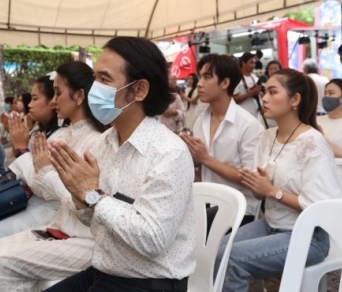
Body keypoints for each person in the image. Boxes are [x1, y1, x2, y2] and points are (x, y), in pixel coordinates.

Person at [45, 36, 196, 292]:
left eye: (105, 80)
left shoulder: (169, 152)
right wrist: (79, 195)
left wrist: (92, 194)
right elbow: (94, 219)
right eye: (95, 78)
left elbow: (152, 240)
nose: (94, 89)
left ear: (139, 90)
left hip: (149, 282)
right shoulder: (104, 143)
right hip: (104, 272)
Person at [216, 69, 342, 292]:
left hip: (309, 235)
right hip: (271, 224)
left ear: (295, 100)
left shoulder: (312, 143)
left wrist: (272, 190)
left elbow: (322, 208)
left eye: (273, 92)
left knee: (234, 259)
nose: (264, 98)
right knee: (219, 249)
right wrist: (257, 186)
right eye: (264, 92)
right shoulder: (267, 137)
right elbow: (260, 194)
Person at [0, 61, 105, 291]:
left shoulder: (95, 141)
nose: (54, 101)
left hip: (81, 238)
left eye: (58, 93)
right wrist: (38, 166)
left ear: (79, 96)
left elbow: (68, 195)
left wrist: (30, 158)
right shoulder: (65, 135)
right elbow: (44, 183)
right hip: (58, 227)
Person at [180, 54, 263, 226]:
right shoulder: (201, 120)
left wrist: (205, 158)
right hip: (204, 204)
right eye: (200, 77)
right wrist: (192, 157)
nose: (200, 84)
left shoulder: (248, 125)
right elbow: (199, 166)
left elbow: (251, 181)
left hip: (237, 211)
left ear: (225, 83)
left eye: (207, 77)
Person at [0, 75, 66, 237]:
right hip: (22, 198)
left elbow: (45, 188)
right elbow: (16, 170)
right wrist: (18, 146)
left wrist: (21, 149)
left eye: (35, 98)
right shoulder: (41, 131)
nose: (29, 104)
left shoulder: (62, 138)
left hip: (47, 208)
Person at [233, 52, 261, 120]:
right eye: (251, 63)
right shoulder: (236, 78)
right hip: (242, 116)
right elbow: (233, 99)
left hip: (256, 115)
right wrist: (250, 94)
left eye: (254, 63)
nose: (254, 65)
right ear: (243, 63)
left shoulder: (254, 77)